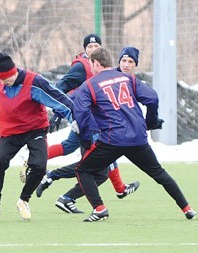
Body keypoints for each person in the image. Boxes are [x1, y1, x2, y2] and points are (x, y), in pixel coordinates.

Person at [73, 47, 197, 222]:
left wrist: (86, 139)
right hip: (138, 138)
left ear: (95, 63)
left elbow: (81, 114)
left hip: (112, 140)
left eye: (91, 64)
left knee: (82, 170)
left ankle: (99, 209)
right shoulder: (128, 78)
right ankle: (187, 208)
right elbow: (152, 98)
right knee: (159, 174)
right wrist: (151, 122)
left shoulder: (90, 85)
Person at [30, 36, 139, 213]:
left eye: (97, 45)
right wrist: (58, 111)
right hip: (89, 123)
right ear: (85, 49)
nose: (93, 48)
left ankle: (43, 167)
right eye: (90, 46)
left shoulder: (109, 73)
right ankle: (60, 185)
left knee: (71, 148)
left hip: (88, 121)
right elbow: (65, 88)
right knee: (95, 167)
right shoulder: (83, 67)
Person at [0, 52, 76, 223]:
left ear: (14, 72)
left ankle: (24, 200)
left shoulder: (34, 82)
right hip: (10, 132)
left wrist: (74, 117)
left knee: (39, 166)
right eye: (0, 80)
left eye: (5, 79)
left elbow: (58, 98)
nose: (2, 83)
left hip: (35, 130)